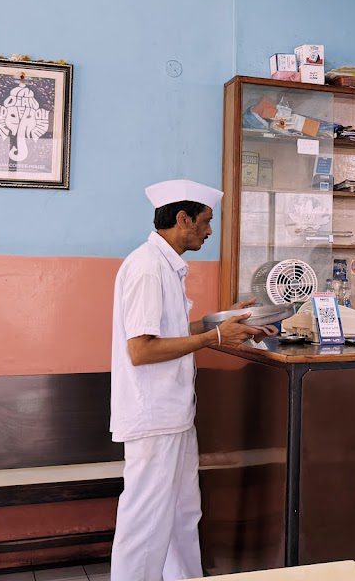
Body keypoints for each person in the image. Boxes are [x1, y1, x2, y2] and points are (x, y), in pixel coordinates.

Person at [110, 179, 264, 581]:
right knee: (145, 525)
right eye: (206, 222)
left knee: (181, 515)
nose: (210, 231)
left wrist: (222, 321)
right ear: (183, 219)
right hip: (153, 417)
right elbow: (141, 350)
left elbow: (173, 331)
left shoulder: (166, 266)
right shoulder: (147, 268)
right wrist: (215, 338)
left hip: (174, 414)